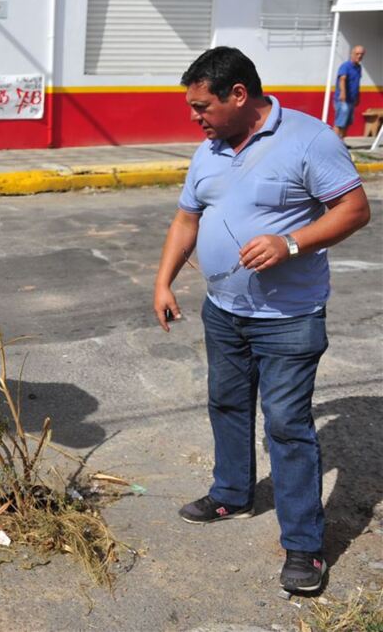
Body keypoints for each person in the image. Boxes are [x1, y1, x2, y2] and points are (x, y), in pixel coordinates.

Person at [153, 46, 370, 594]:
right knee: (225, 401)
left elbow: (354, 209)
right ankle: (231, 493)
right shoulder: (209, 149)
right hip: (224, 312)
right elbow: (186, 218)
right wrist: (163, 281)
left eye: (202, 105)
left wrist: (291, 241)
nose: (194, 116)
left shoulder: (308, 138)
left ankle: (304, 546)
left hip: (288, 317)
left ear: (239, 95)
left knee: (286, 426)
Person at [333, 45, 365, 139]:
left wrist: (358, 96)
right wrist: (343, 93)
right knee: (340, 122)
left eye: (361, 54)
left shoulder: (358, 68)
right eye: (357, 54)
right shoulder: (345, 66)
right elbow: (342, 79)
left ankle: (342, 142)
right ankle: (335, 142)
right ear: (352, 54)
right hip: (343, 99)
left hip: (351, 100)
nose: (359, 56)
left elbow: (357, 82)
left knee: (347, 122)